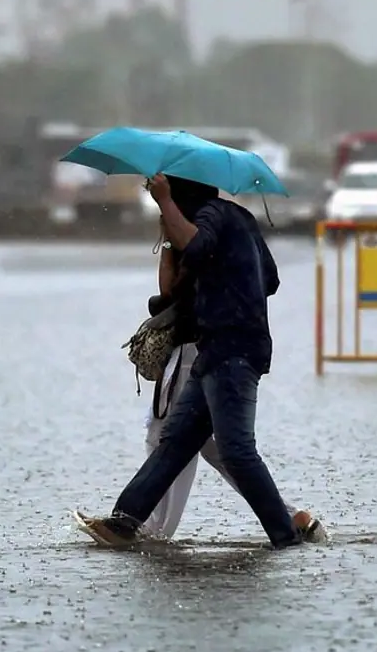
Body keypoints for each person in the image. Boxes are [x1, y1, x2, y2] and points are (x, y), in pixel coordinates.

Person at [76, 174, 303, 549]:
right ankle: (124, 523)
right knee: (175, 441)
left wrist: (165, 202)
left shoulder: (212, 215)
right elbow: (268, 280)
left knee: (236, 451)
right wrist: (214, 270)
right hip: (215, 350)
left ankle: (287, 534)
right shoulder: (236, 219)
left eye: (169, 192)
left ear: (181, 193)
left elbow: (196, 245)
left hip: (233, 351)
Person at [139, 225, 326, 543]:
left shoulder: (196, 230)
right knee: (213, 445)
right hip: (216, 347)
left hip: (196, 349)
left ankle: (150, 527)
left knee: (168, 435)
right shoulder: (228, 228)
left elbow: (169, 292)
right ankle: (289, 516)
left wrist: (168, 241)